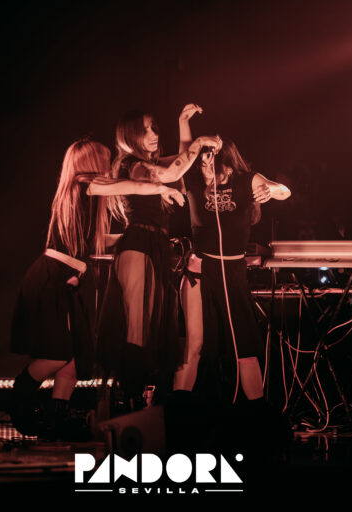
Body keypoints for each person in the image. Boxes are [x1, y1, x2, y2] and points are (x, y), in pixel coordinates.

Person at [9, 138, 186, 438]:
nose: (108, 167)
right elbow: (128, 185)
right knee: (56, 355)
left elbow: (95, 242)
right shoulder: (82, 183)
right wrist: (160, 188)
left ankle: (57, 419)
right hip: (53, 277)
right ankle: (18, 405)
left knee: (73, 361)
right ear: (90, 162)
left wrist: (137, 236)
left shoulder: (85, 198)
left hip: (69, 279)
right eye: (103, 160)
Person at [97, 107, 221, 409]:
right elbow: (172, 173)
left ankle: (137, 397)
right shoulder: (132, 164)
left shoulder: (148, 163)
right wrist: (198, 142)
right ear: (130, 136)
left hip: (155, 246)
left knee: (150, 327)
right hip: (138, 244)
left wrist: (183, 124)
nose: (153, 134)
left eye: (154, 128)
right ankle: (128, 400)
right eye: (146, 130)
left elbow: (182, 164)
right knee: (137, 326)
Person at [174, 137, 291, 404]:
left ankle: (257, 412)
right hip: (200, 270)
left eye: (208, 160)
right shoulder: (193, 180)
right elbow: (179, 159)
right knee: (194, 346)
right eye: (200, 161)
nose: (204, 167)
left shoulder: (245, 181)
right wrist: (183, 121)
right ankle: (179, 411)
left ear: (224, 161)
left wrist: (271, 190)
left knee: (243, 346)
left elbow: (284, 190)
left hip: (233, 271)